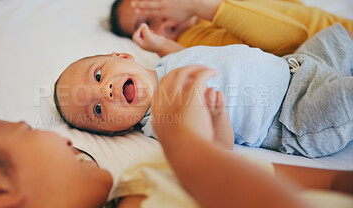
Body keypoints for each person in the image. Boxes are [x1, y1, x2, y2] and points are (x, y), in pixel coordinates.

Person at [54, 23, 353, 158]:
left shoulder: (165, 64)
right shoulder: (163, 120)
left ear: (121, 56)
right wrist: (217, 113)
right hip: (297, 116)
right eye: (97, 110)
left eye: (98, 75)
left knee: (339, 35)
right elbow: (219, 149)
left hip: (297, 67)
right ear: (117, 131)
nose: (104, 92)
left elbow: (191, 54)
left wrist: (158, 44)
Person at [0, 117, 353, 208]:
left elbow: (334, 184)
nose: (63, 135)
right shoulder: (177, 160)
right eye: (27, 130)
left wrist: (208, 154)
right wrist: (185, 143)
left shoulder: (147, 174)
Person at [110, 0, 353, 57]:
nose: (163, 15)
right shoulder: (193, 39)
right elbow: (292, 39)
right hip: (341, 47)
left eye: (155, 4)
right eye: (148, 24)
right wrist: (197, 5)